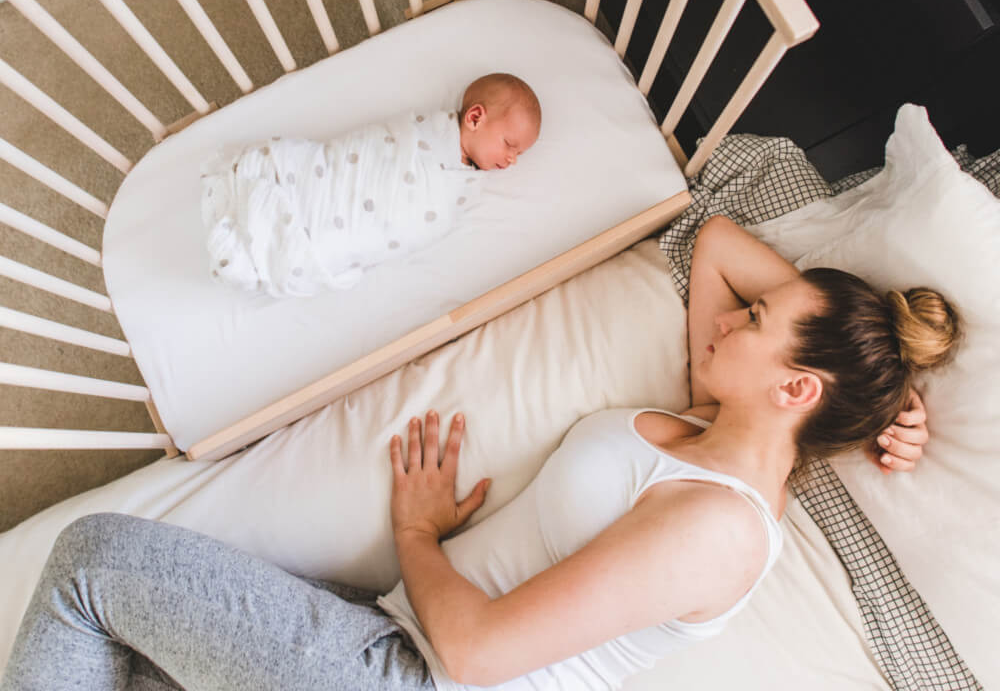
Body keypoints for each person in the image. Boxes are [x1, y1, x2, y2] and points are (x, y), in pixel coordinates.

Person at [0, 216, 957, 691]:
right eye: (751, 311)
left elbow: (474, 652)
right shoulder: (705, 426)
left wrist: (416, 531)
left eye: (753, 322)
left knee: (95, 563)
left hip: (414, 671)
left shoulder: (720, 531)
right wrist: (875, 383)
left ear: (794, 389)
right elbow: (715, 241)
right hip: (383, 638)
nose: (732, 315)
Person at [201, 72, 541, 297]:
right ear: (475, 118)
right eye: (509, 144)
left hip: (359, 229)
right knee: (317, 173)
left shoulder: (464, 185)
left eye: (520, 154)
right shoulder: (424, 132)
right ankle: (259, 191)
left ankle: (260, 237)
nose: (512, 159)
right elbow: (373, 152)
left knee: (332, 244)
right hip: (333, 182)